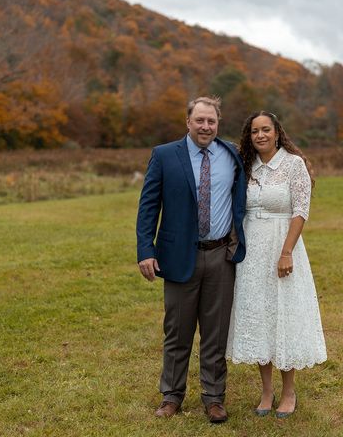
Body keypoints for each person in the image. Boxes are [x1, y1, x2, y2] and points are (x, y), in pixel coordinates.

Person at [136, 96, 246, 423]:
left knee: (216, 333)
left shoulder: (232, 154)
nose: (205, 126)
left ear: (218, 123)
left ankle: (214, 398)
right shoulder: (165, 155)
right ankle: (171, 396)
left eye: (211, 121)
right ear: (188, 122)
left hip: (221, 257)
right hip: (179, 255)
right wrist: (146, 250)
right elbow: (148, 207)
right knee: (178, 331)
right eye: (199, 120)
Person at [226, 110, 327, 418]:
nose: (260, 135)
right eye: (255, 131)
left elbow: (300, 211)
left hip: (283, 245)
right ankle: (266, 391)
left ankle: (288, 391)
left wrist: (286, 253)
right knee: (260, 316)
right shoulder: (246, 167)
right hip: (252, 251)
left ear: (277, 132)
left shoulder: (293, 165)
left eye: (266, 129)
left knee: (284, 315)